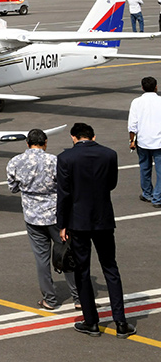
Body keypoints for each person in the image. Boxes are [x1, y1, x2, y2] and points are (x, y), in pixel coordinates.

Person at [56, 122, 135, 339]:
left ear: (74, 137)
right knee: (111, 267)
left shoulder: (65, 158)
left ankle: (91, 322)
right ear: (93, 136)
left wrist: (61, 224)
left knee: (82, 270)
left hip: (78, 220)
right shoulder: (109, 154)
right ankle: (121, 322)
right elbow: (111, 184)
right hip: (103, 218)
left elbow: (63, 193)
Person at [6, 129, 78, 310]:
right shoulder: (54, 160)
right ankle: (79, 297)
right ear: (45, 142)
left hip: (32, 216)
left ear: (27, 143)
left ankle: (50, 299)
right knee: (67, 254)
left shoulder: (15, 161)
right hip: (55, 215)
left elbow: (13, 187)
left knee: (42, 259)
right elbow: (65, 186)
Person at [128, 76, 161, 208]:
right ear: (156, 87)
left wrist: (132, 141)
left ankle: (147, 193)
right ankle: (157, 197)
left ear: (142, 88)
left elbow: (132, 125)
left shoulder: (136, 102)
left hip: (143, 141)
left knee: (145, 168)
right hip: (159, 142)